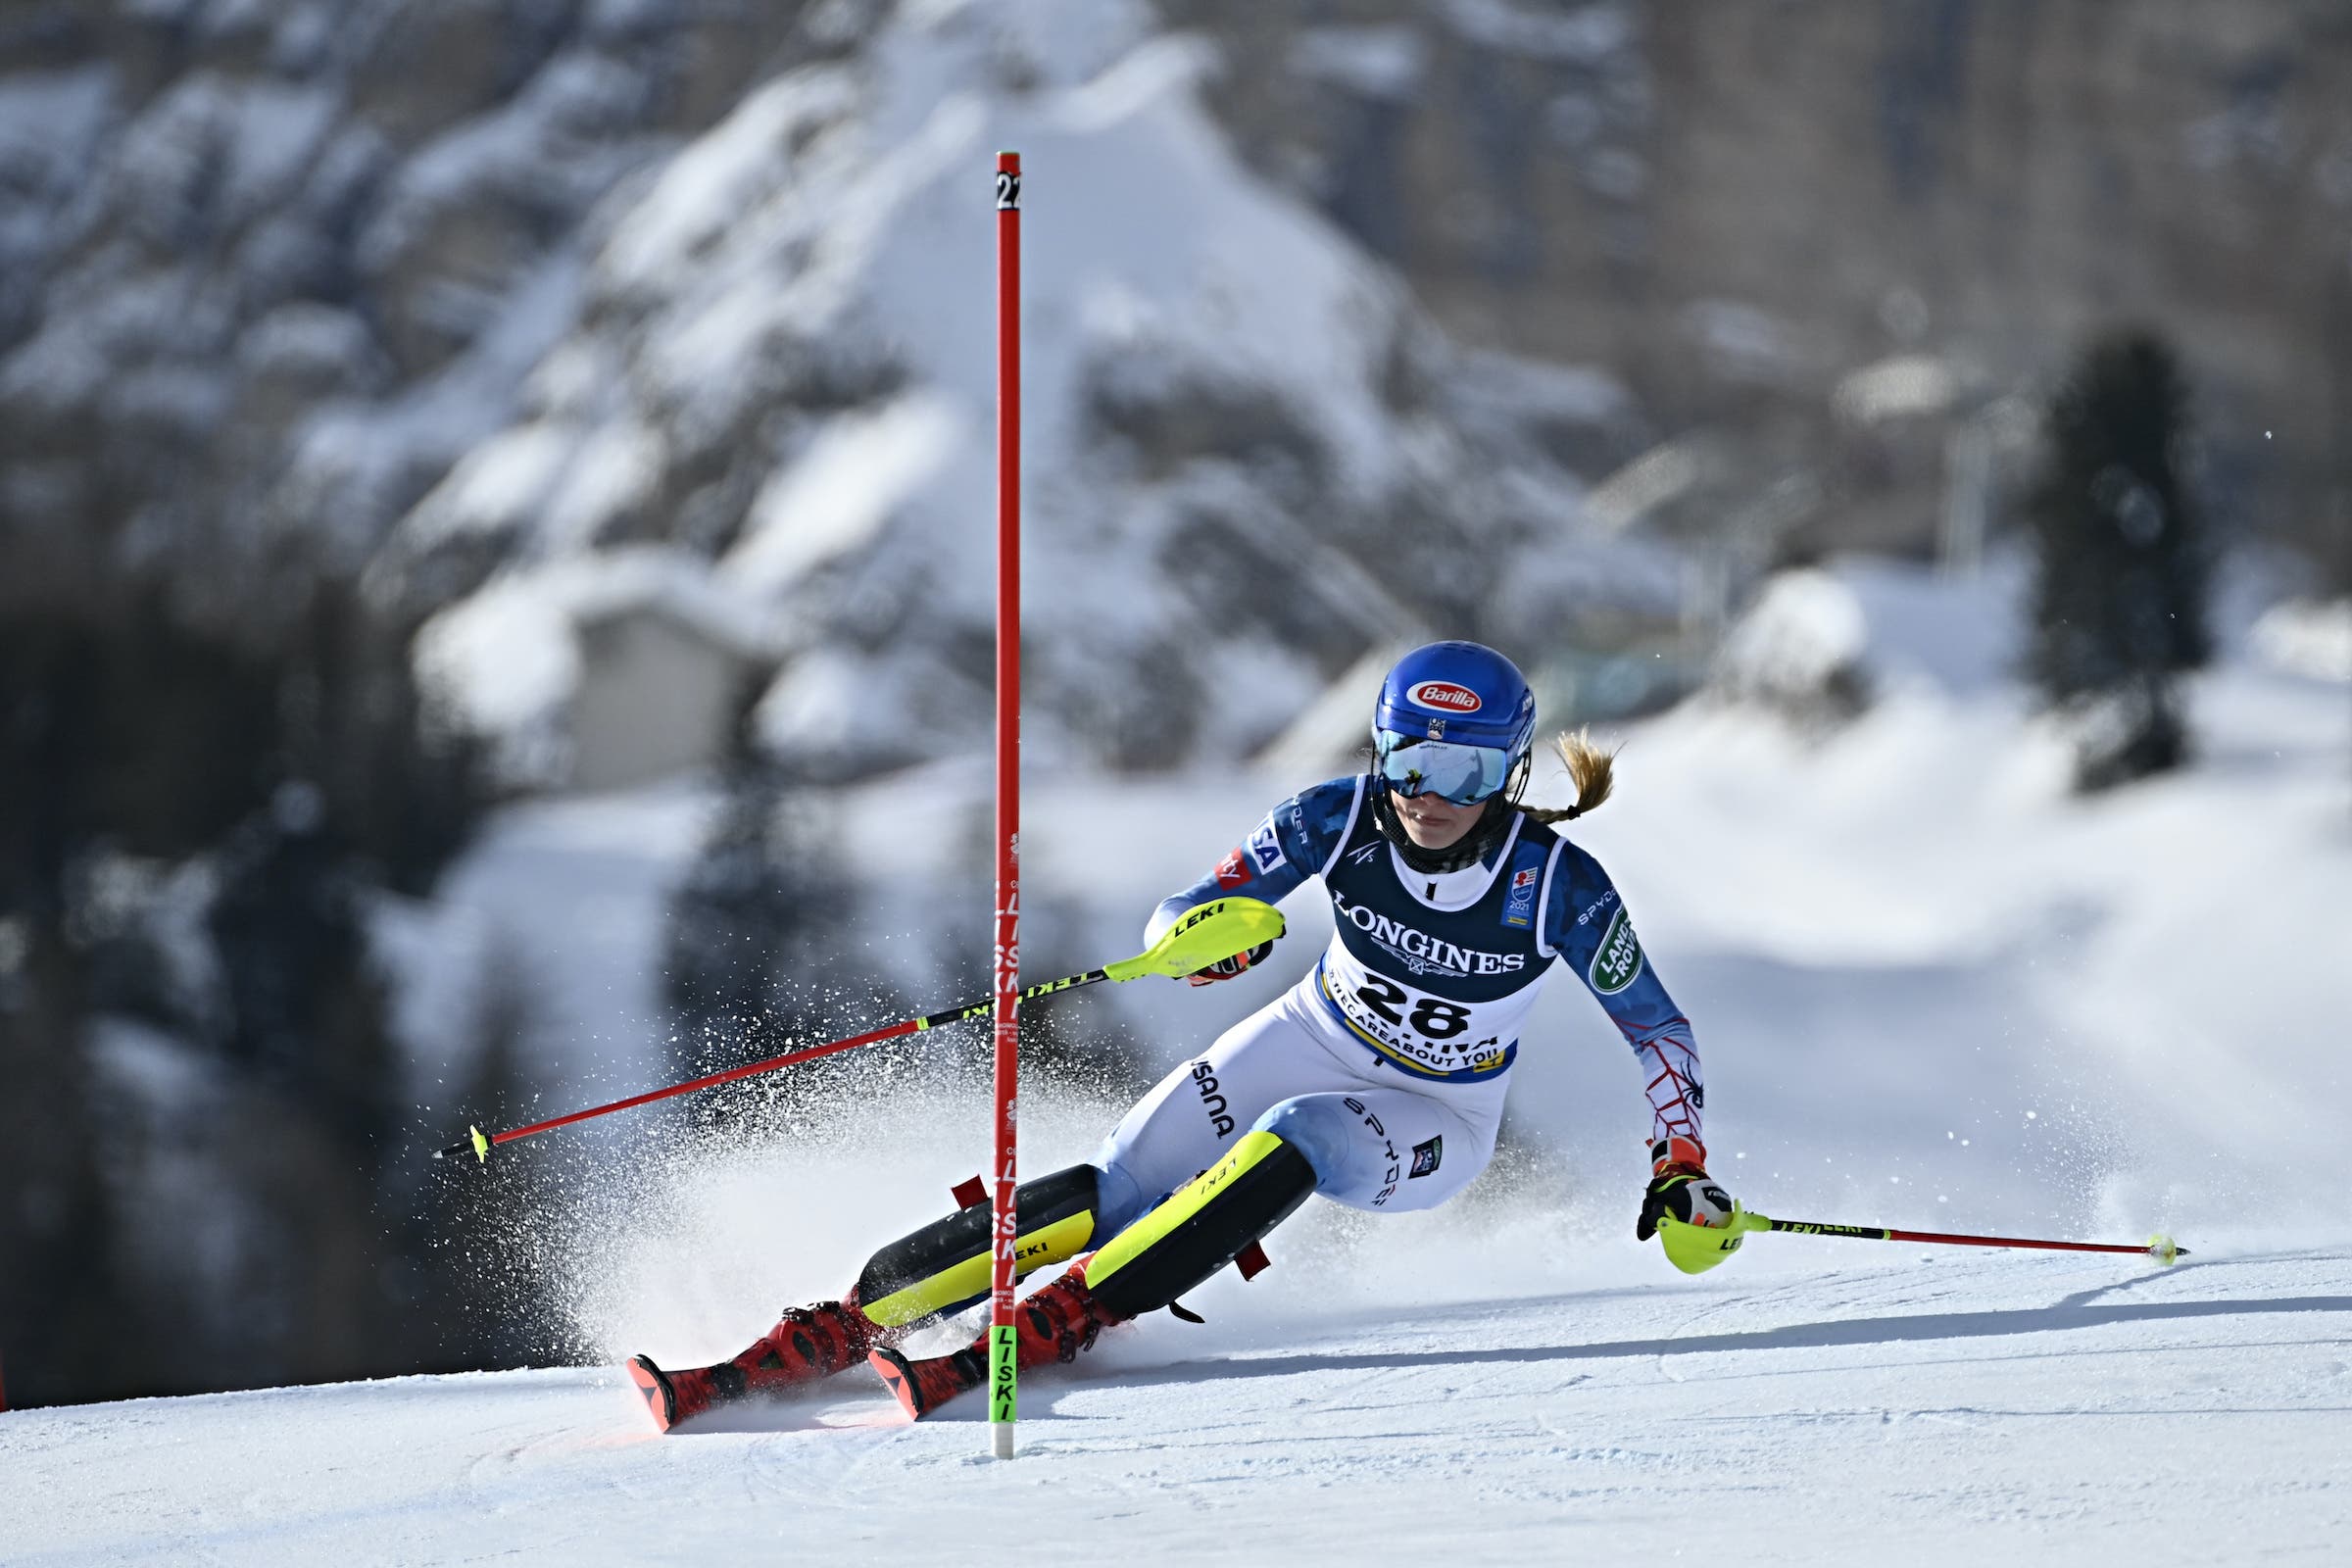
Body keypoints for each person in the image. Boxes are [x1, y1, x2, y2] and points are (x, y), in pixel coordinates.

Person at [626, 640, 1734, 1431]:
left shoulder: (1555, 887)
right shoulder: (1334, 816)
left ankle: (1068, 1317)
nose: (1428, 797)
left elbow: (1661, 1031)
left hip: (1437, 1113)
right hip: (1316, 1031)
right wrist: (1205, 939)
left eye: (1467, 772)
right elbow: (1184, 910)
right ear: (1383, 752)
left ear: (1513, 772)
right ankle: (843, 1321)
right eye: (1410, 762)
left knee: (1304, 1131)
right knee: (1119, 1182)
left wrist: (1678, 1160)